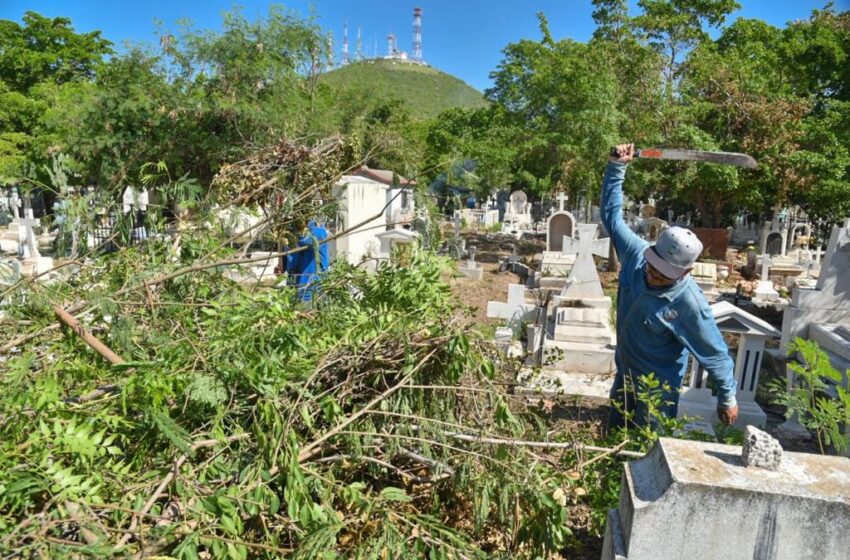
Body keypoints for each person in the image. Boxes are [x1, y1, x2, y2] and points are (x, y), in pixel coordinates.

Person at [602, 143, 739, 429]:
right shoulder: (637, 253)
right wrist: (617, 168)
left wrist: (727, 398)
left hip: (657, 389)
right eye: (654, 266)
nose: (655, 276)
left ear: (686, 271)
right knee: (614, 435)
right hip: (625, 372)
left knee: (647, 449)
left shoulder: (689, 303)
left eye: (665, 274)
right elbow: (612, 219)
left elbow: (714, 352)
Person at [285, 220, 329, 302]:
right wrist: (281, 266)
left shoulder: (319, 232)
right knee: (291, 311)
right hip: (293, 282)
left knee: (311, 309)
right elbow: (288, 254)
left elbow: (308, 241)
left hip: (312, 282)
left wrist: (289, 234)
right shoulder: (291, 232)